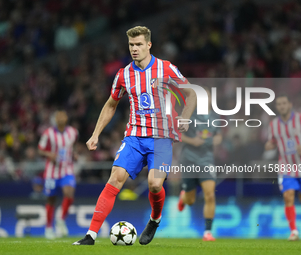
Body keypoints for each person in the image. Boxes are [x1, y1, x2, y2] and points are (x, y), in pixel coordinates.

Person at [73, 26, 196, 246]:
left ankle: (155, 219)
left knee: (155, 185)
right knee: (114, 178)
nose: (134, 49)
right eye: (131, 45)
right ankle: (90, 235)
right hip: (134, 137)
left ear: (149, 45)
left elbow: (191, 93)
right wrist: (95, 134)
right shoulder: (123, 74)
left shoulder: (165, 68)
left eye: (139, 44)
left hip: (161, 138)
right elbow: (111, 104)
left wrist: (185, 117)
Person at [177, 87, 222, 241]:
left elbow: (219, 136)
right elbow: (178, 135)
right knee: (190, 200)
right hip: (189, 159)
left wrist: (217, 140)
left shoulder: (216, 117)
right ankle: (183, 198)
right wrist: (192, 141)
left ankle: (208, 232)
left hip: (206, 160)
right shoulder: (190, 115)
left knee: (210, 194)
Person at [265, 95, 301, 241]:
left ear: (290, 104)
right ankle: (293, 231)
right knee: (288, 196)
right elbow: (273, 141)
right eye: (279, 104)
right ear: (276, 107)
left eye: (284, 103)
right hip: (286, 167)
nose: (282, 106)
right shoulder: (273, 125)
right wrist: (270, 145)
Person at [38, 110, 78, 239]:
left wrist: (74, 155)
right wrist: (50, 154)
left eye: (63, 115)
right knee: (51, 199)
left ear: (66, 118)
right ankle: (49, 227)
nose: (61, 117)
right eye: (58, 116)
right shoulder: (48, 133)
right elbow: (40, 149)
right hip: (51, 172)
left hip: (67, 169)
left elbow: (72, 147)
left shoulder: (73, 132)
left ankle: (60, 219)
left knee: (69, 193)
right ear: (55, 119)